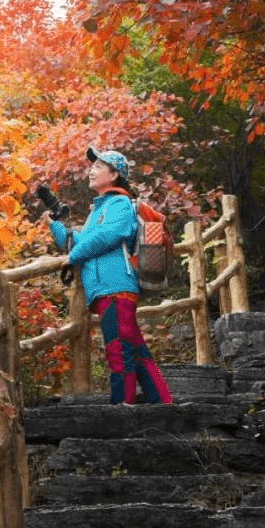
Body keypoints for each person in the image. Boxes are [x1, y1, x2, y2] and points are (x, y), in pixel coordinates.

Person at [46, 146, 173, 406]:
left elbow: (108, 236)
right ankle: (162, 402)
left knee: (119, 349)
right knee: (135, 349)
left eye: (98, 166)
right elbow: (80, 242)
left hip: (115, 287)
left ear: (114, 175)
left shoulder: (119, 203)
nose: (91, 170)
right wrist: (54, 226)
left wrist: (72, 257)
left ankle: (120, 409)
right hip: (108, 289)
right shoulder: (99, 210)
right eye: (92, 166)